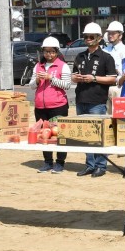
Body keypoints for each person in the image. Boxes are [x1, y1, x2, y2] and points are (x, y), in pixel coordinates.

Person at [71, 22, 117, 178]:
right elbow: (72, 76)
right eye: (85, 37)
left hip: (97, 101)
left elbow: (112, 79)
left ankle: (101, 165)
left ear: (98, 38)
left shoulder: (106, 57)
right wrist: (76, 78)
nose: (88, 39)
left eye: (91, 37)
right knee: (85, 136)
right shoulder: (80, 56)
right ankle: (90, 165)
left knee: (98, 135)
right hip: (81, 98)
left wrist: (94, 78)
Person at [29, 37, 71, 174]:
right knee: (43, 135)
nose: (49, 54)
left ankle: (60, 163)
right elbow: (31, 86)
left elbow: (67, 85)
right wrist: (37, 79)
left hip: (58, 106)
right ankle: (47, 162)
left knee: (59, 135)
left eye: (52, 52)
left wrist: (51, 78)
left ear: (57, 52)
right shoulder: (38, 66)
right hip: (40, 107)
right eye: (46, 51)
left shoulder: (62, 66)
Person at [104, 20, 125, 114]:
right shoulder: (105, 50)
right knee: (107, 119)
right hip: (105, 87)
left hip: (118, 87)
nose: (110, 35)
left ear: (120, 35)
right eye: (109, 33)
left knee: (119, 116)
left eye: (113, 33)